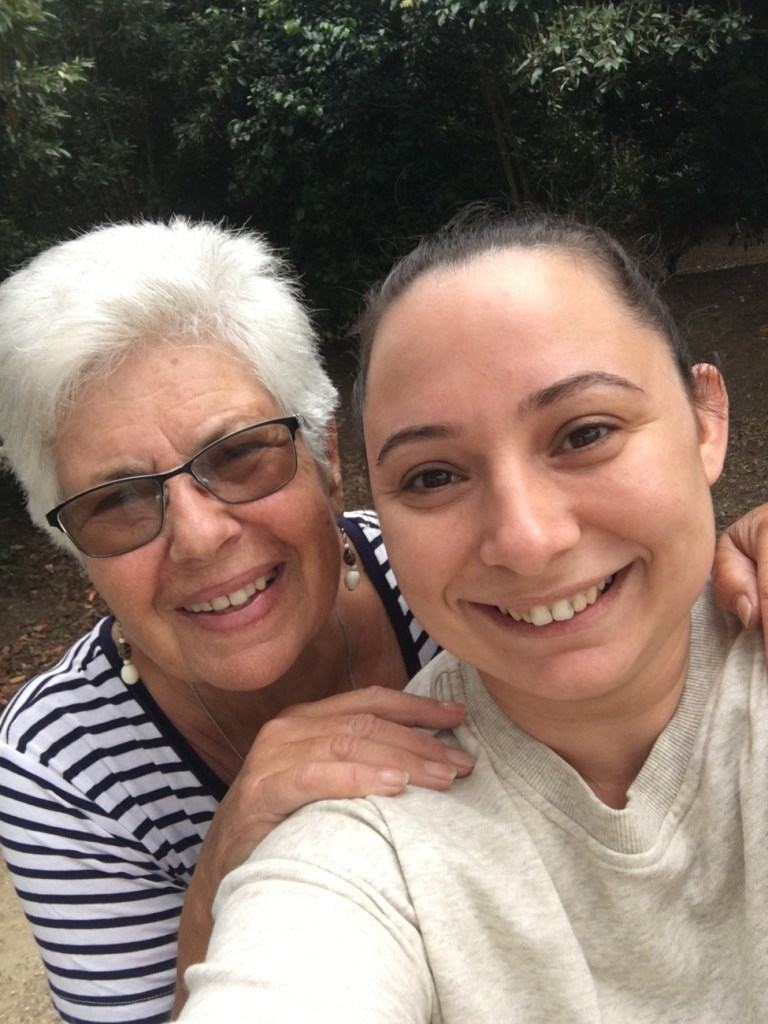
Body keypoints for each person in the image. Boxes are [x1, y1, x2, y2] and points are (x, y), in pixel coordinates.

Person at [178, 212, 768, 1023]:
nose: (525, 540)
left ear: (705, 421)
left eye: (585, 433)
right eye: (433, 477)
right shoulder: (363, 839)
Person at [0, 219, 478, 1024]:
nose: (200, 537)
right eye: (117, 500)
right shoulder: (64, 764)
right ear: (74, 548)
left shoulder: (449, 579)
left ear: (327, 459)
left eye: (238, 454)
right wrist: (226, 852)